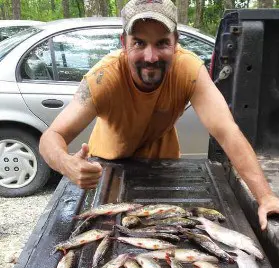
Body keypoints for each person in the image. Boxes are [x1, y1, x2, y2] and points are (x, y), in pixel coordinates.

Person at [39, 0, 279, 231]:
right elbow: (52, 136)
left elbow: (227, 132)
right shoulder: (103, 78)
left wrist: (266, 197)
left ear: (176, 42)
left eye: (162, 43)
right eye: (139, 43)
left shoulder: (188, 70)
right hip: (108, 169)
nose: (151, 57)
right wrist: (66, 164)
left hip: (164, 170)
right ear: (124, 43)